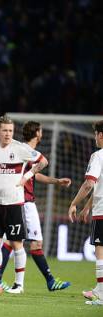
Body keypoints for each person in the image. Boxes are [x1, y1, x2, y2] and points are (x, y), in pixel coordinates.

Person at [0, 115, 48, 294]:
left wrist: (26, 176)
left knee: (17, 243)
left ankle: (19, 285)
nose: (8, 134)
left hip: (14, 204)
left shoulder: (20, 148)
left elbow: (43, 162)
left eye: (10, 130)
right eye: (5, 130)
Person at [0, 121, 71, 291]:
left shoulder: (22, 151)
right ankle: (49, 281)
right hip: (24, 202)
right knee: (29, 242)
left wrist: (56, 181)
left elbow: (34, 176)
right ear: (37, 133)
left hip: (20, 201)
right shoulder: (28, 151)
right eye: (41, 131)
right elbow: (38, 167)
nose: (42, 133)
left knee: (12, 240)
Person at [68, 120, 103, 306]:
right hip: (98, 206)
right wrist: (88, 206)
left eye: (96, 134)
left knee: (100, 250)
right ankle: (100, 290)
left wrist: (74, 203)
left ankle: (102, 294)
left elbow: (90, 183)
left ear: (100, 135)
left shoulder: (98, 156)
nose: (95, 138)